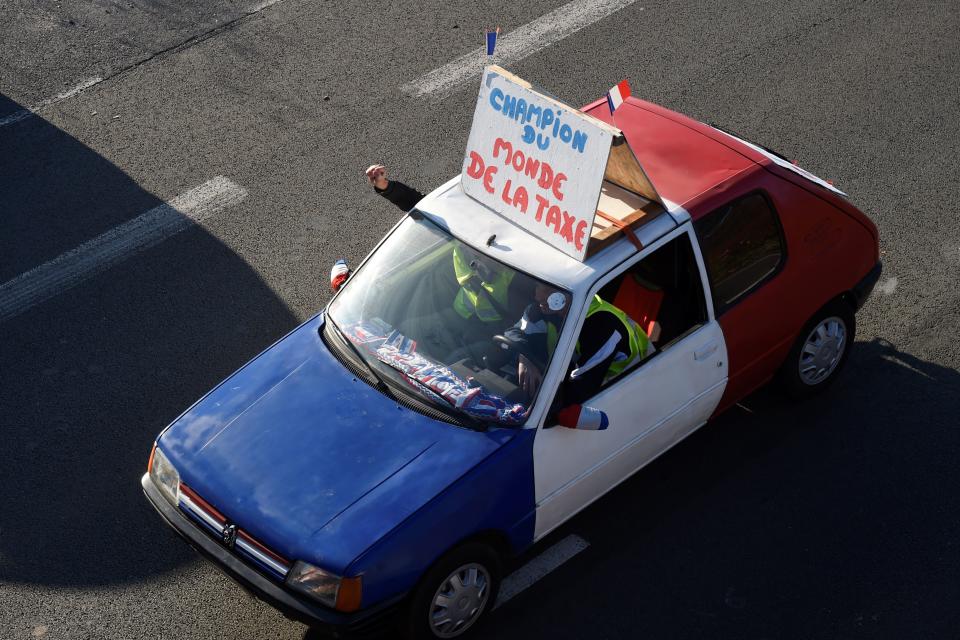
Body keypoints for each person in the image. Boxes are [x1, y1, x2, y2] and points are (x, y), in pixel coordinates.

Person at [505, 283, 650, 405]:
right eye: (538, 287)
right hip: (581, 375)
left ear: (569, 292)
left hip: (628, 389)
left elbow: (582, 386)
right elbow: (512, 333)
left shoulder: (603, 324)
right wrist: (524, 357)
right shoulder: (539, 309)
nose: (537, 296)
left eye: (547, 290)